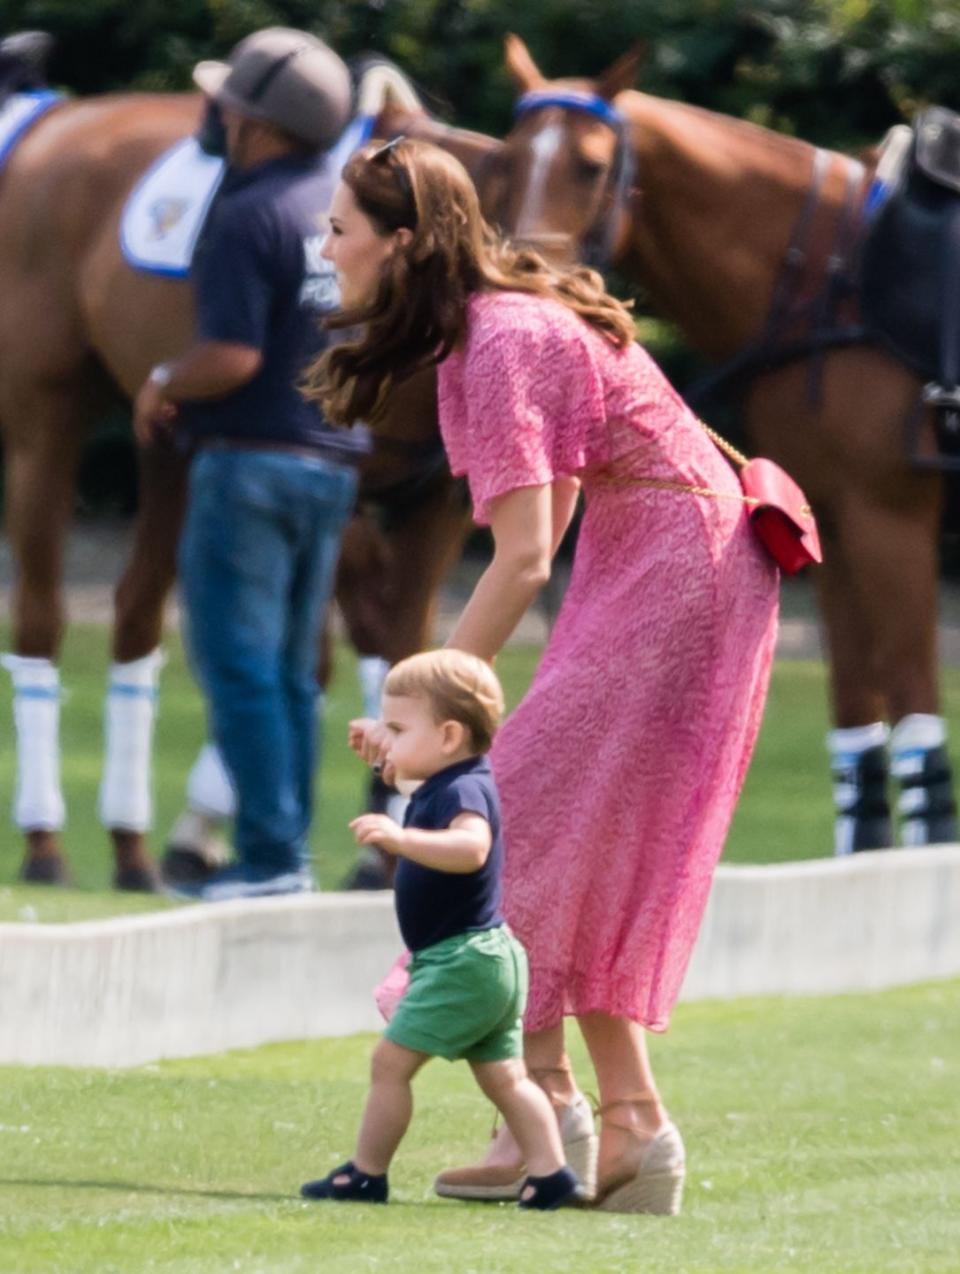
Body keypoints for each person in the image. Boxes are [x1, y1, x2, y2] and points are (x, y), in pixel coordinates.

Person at [305, 137, 780, 1213]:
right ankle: (592, 1122)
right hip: (671, 559)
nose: (325, 244)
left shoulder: (502, 339)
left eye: (339, 227)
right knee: (562, 830)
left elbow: (523, 554)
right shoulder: (489, 332)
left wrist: (436, 705)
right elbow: (551, 516)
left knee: (534, 817)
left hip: (676, 569)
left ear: (404, 241)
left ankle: (604, 1120)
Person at [133, 29, 365, 901]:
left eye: (228, 103)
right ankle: (286, 852)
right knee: (289, 669)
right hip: (330, 464)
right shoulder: (335, 211)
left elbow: (229, 355)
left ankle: (269, 859)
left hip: (249, 463)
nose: (216, 114)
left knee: (236, 661)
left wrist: (162, 382)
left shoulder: (244, 212)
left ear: (255, 124)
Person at [300, 649, 587, 1211]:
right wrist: (383, 750)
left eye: (399, 728)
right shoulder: (450, 781)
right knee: (505, 1077)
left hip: (463, 960)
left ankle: (366, 1173)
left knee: (390, 1065)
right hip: (487, 957)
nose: (389, 739)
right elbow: (413, 783)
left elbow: (472, 847)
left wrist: (400, 839)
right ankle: (552, 1174)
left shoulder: (462, 793)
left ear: (450, 735)